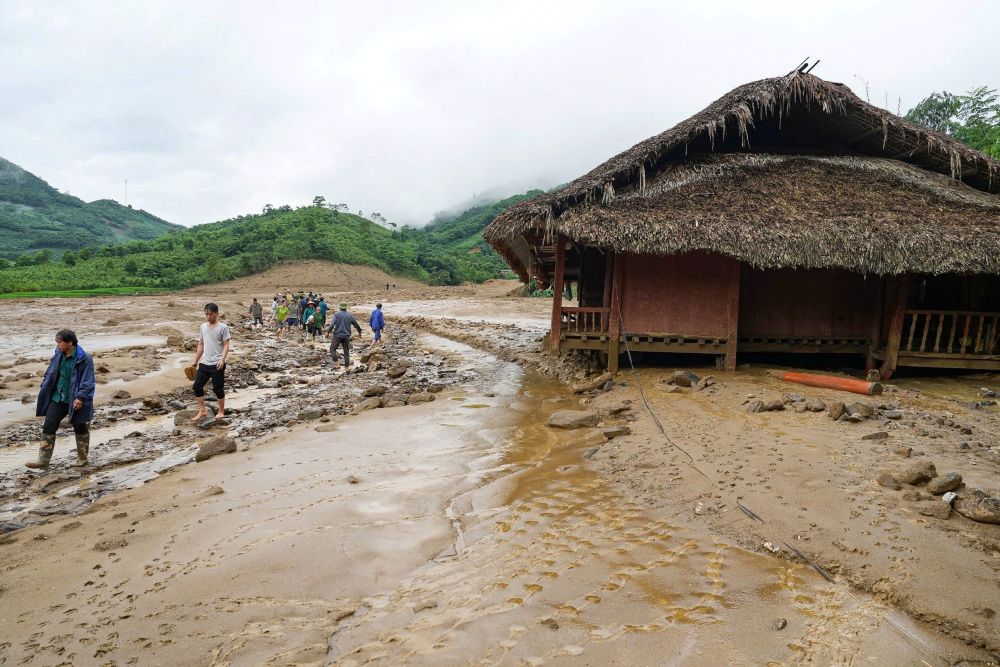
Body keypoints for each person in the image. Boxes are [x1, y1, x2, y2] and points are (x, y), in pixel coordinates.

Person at [25, 330, 95, 469]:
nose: (57, 345)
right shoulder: (58, 354)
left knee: (80, 426)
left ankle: (82, 459)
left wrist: (80, 397)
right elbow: (50, 371)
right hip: (58, 397)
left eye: (59, 342)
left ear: (69, 342)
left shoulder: (84, 358)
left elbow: (88, 380)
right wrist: (44, 383)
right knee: (49, 425)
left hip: (76, 399)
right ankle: (43, 460)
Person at [190, 303, 231, 422]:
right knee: (197, 386)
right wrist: (195, 361)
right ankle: (202, 411)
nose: (208, 316)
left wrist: (222, 360)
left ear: (216, 314)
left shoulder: (223, 327)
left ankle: (221, 411)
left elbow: (226, 345)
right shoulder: (203, 327)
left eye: (210, 314)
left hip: (217, 363)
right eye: (206, 314)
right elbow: (201, 345)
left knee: (218, 389)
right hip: (205, 363)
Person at [325, 302, 362, 369]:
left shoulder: (337, 314)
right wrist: (359, 332)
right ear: (346, 308)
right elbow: (356, 324)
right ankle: (346, 367)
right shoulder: (350, 315)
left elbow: (332, 324)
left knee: (332, 349)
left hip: (337, 335)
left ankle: (337, 364)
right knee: (346, 351)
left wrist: (328, 332)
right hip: (346, 336)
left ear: (340, 307)